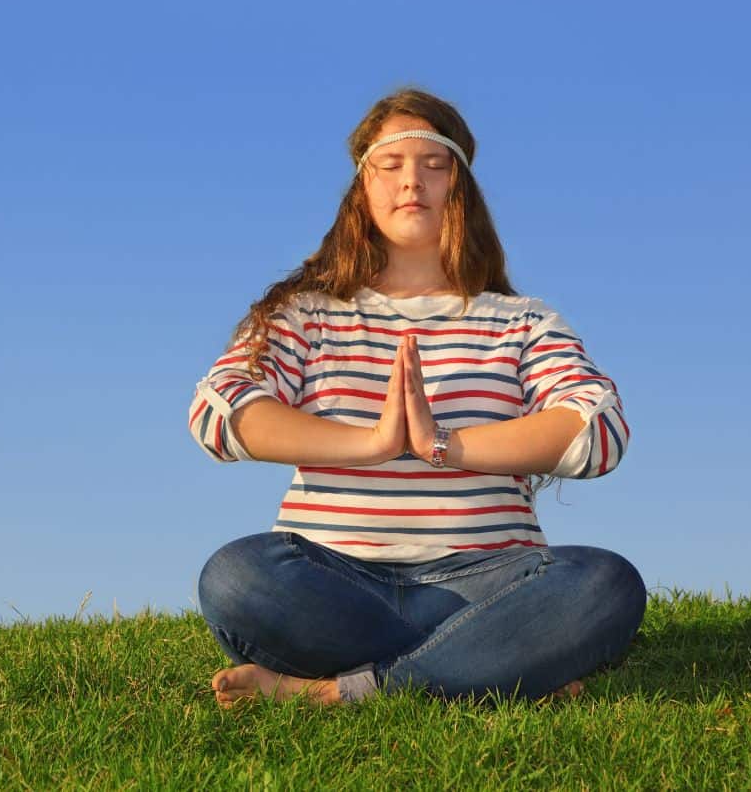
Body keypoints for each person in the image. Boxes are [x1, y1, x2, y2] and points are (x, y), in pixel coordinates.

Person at [186, 88, 646, 708]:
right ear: (362, 188)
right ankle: (499, 664)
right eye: (392, 166)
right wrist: (371, 443)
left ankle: (342, 691)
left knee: (606, 584)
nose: (413, 182)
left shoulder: (521, 320)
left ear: (462, 189)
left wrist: (443, 444)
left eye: (435, 165)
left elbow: (598, 428)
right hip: (334, 577)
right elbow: (221, 408)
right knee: (235, 577)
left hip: (490, 581)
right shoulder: (306, 315)